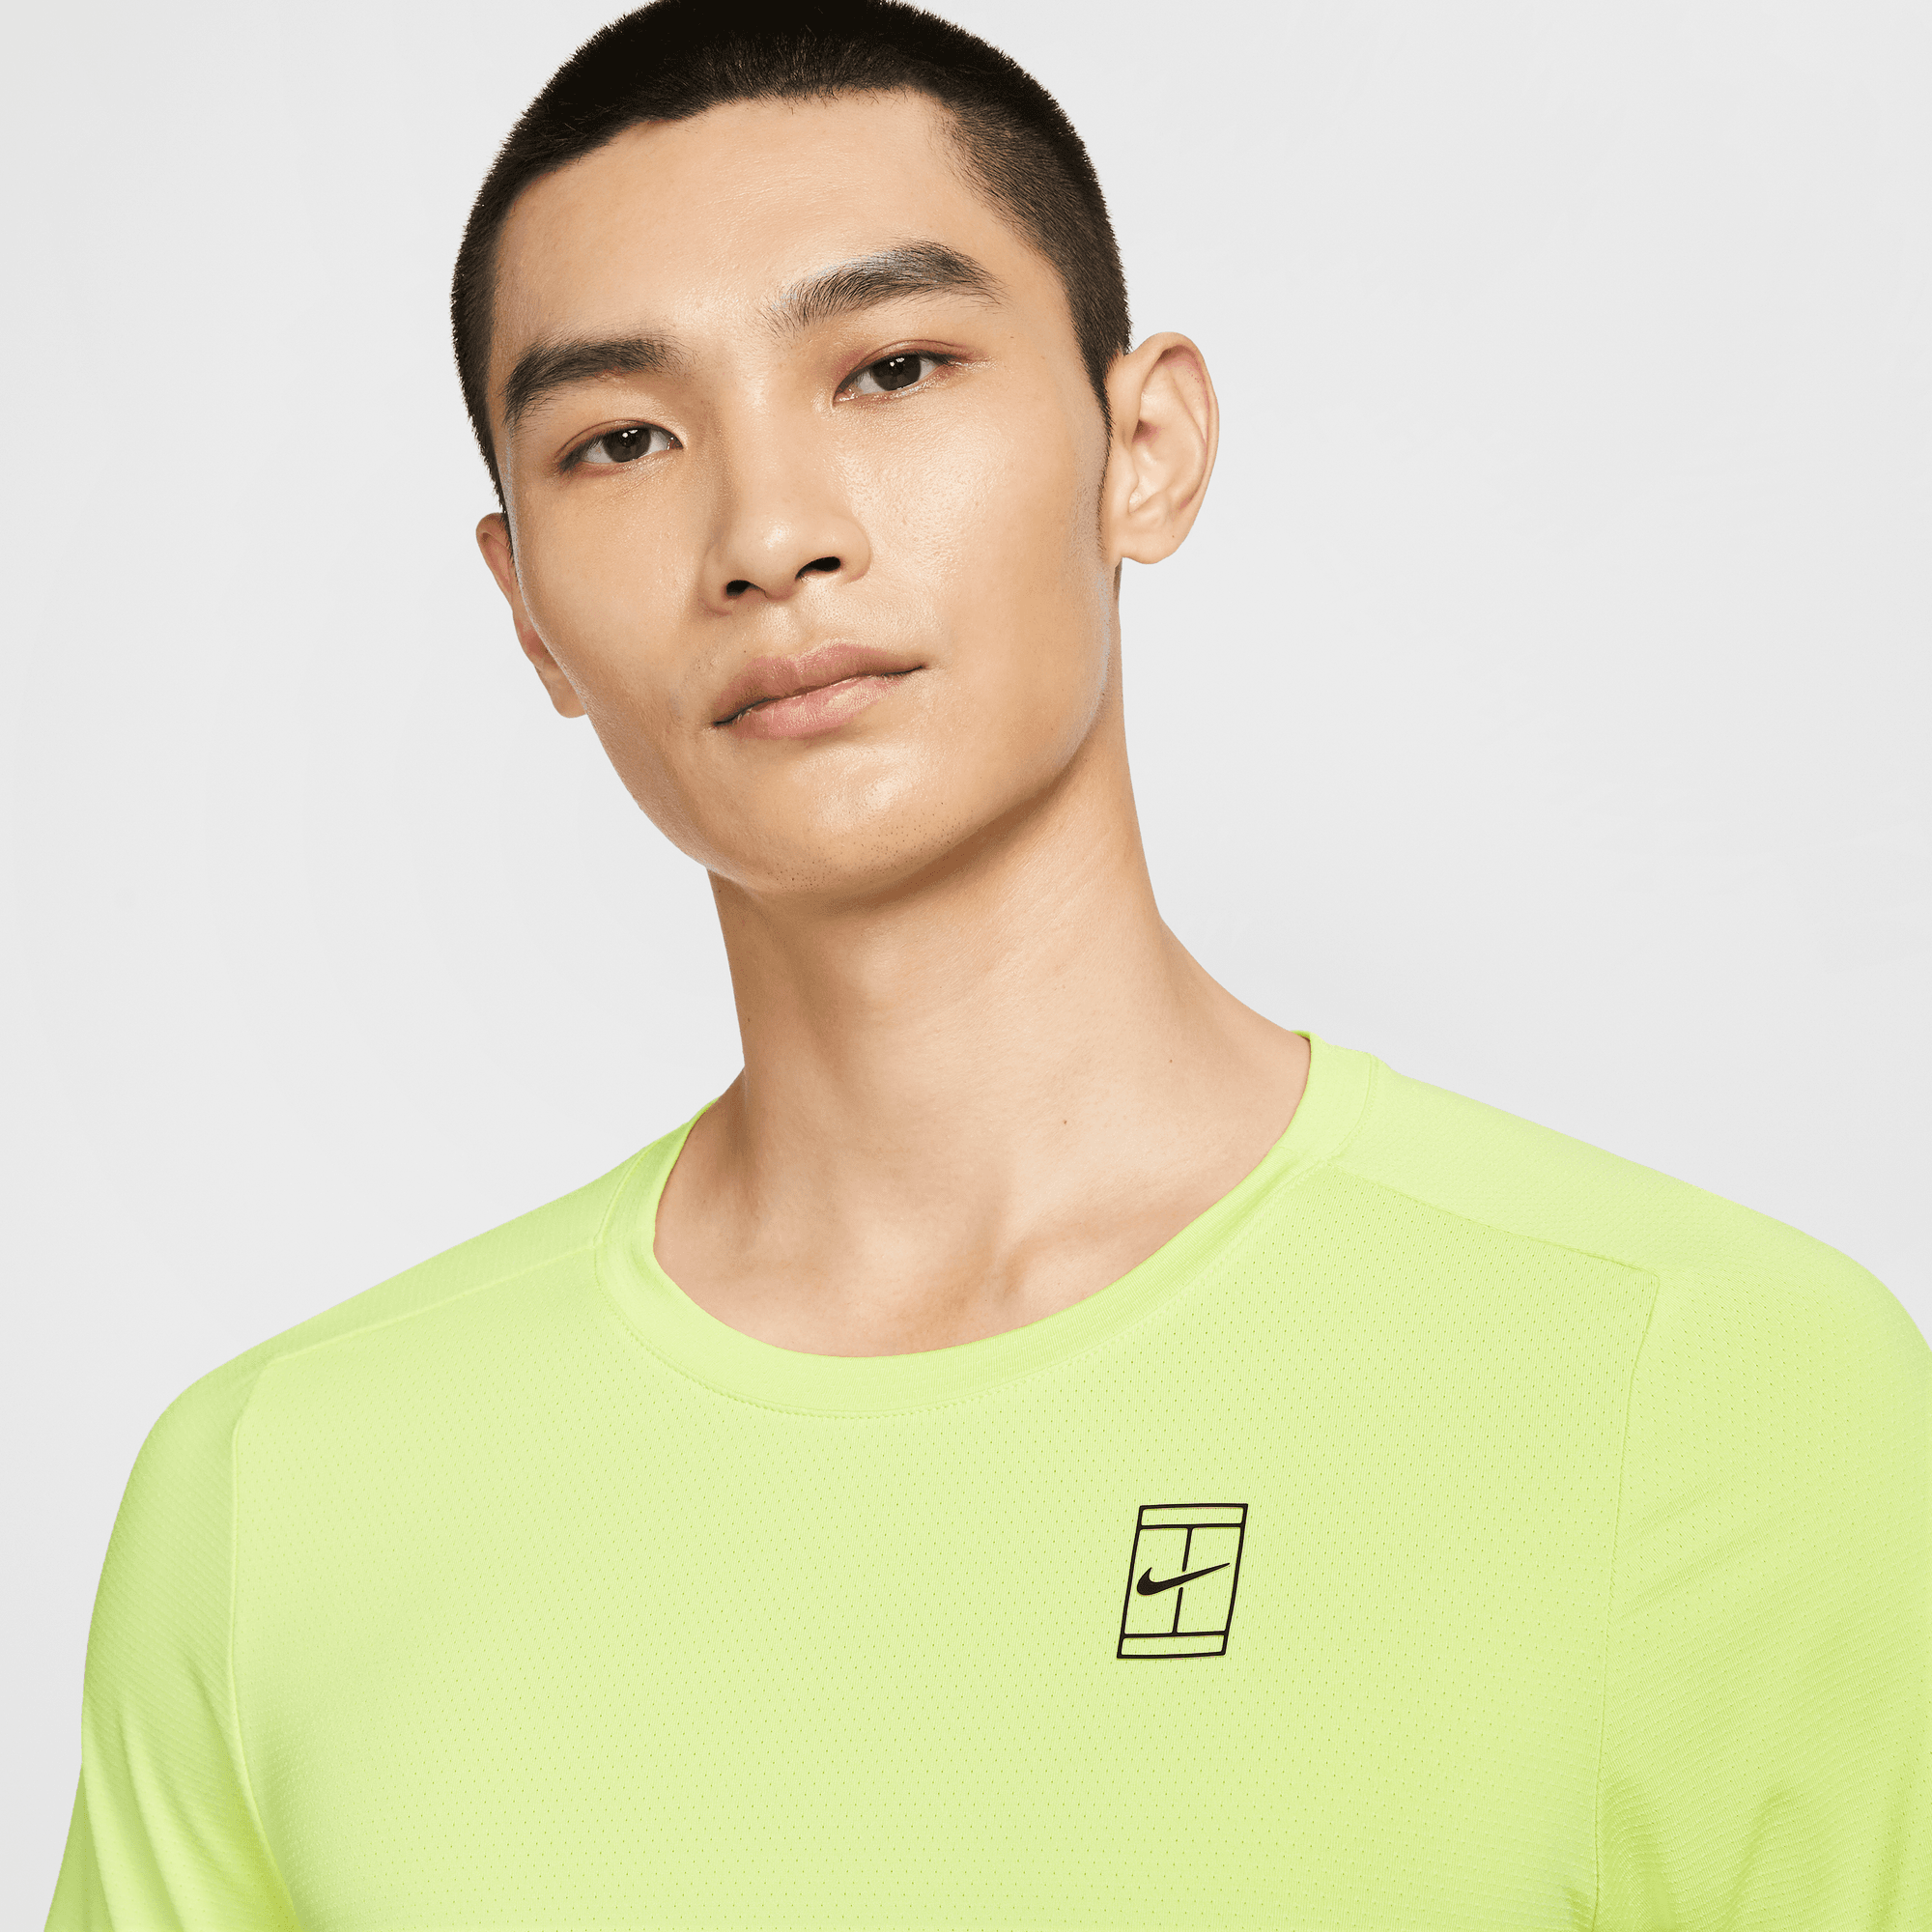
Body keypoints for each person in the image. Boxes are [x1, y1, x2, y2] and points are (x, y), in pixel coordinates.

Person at [46, 1, 1928, 1924]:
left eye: (891, 368)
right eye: (620, 439)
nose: (770, 533)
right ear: (524, 602)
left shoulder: (1705, 1384)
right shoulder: (276, 1499)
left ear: (1145, 448)